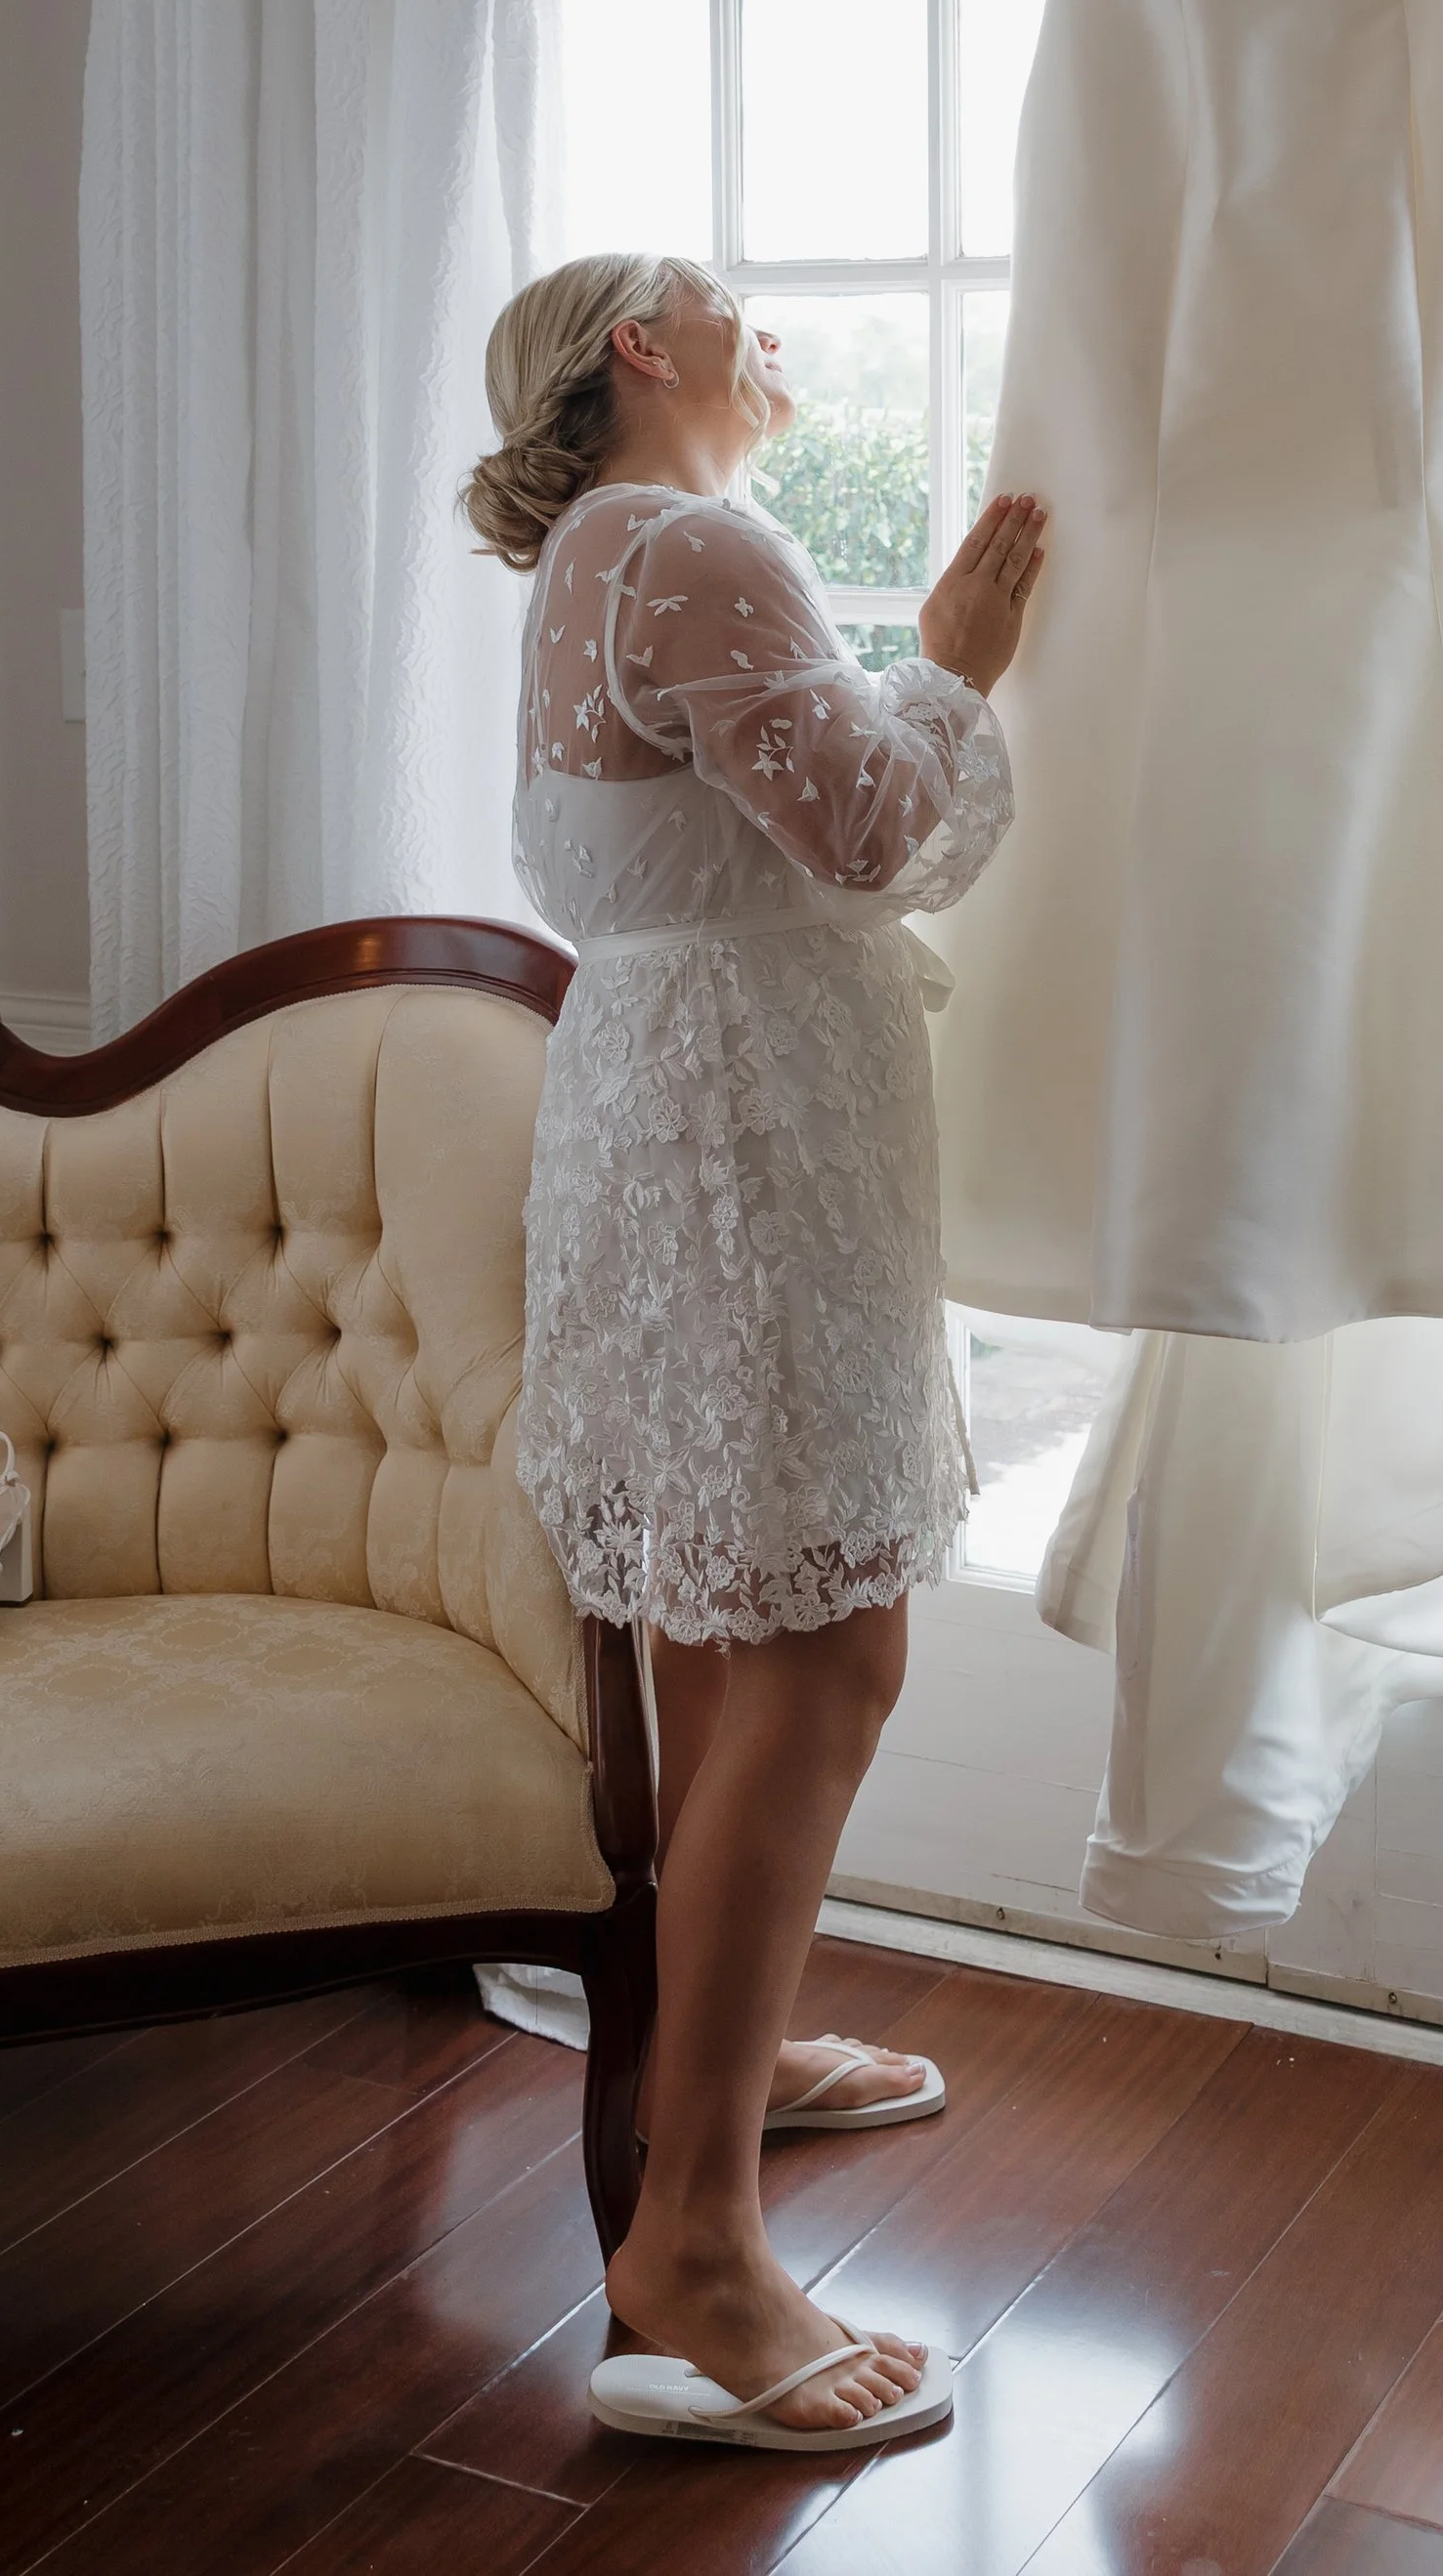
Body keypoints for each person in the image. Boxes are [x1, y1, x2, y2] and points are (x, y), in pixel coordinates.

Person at [463, 253, 1043, 2454]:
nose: (765, 331)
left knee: (720, 1642)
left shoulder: (593, 562)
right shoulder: (690, 541)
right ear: (643, 347)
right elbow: (871, 835)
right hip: (739, 1139)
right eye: (729, 304)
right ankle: (690, 2243)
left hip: (663, 1112)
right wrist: (953, 661)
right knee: (828, 1658)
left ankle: (723, 2060)